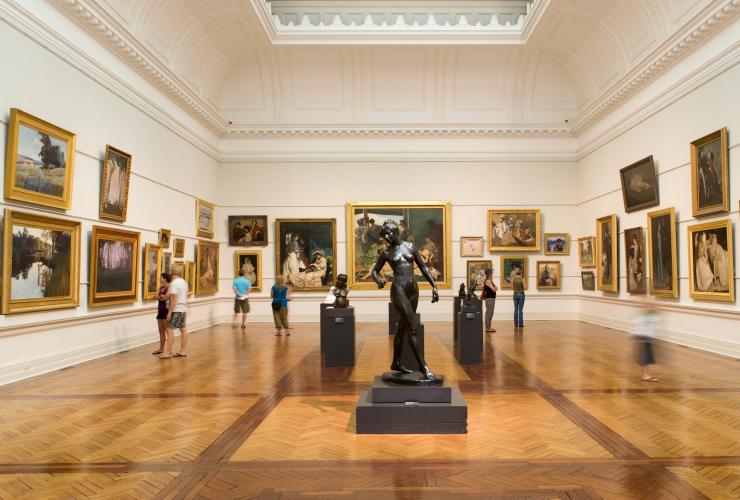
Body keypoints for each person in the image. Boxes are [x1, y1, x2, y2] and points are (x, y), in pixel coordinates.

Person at [372, 219, 439, 380]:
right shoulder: (387, 253)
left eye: (388, 235)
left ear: (395, 231)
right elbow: (375, 271)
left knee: (402, 327)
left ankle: (396, 362)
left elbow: (423, 267)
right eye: (385, 236)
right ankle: (424, 367)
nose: (386, 239)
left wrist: (434, 286)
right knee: (412, 326)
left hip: (413, 290)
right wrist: (378, 280)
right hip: (398, 290)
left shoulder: (410, 247)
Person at [160, 265, 189, 359]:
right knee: (183, 330)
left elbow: (173, 300)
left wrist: (169, 313)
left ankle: (167, 352)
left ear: (172, 272)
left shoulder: (174, 283)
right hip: (183, 308)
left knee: (169, 330)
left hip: (176, 309)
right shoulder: (184, 282)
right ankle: (183, 351)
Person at [632, 298, 660, 381]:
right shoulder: (644, 316)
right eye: (651, 306)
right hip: (644, 339)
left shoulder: (648, 315)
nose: (653, 307)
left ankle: (646, 374)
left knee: (646, 358)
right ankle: (645, 375)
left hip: (646, 339)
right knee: (645, 358)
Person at [152, 273, 171, 355]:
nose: (160, 279)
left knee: (167, 331)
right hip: (160, 310)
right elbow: (155, 297)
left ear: (165, 279)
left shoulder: (170, 287)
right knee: (161, 331)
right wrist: (160, 295)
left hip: (166, 310)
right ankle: (161, 348)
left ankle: (169, 349)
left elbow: (165, 298)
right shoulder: (161, 287)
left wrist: (160, 296)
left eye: (161, 278)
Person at [481, 268, 497, 333]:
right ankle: (487, 328)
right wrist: (495, 288)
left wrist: (495, 288)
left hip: (491, 299)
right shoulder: (488, 281)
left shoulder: (490, 280)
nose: (492, 273)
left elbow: (496, 288)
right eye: (491, 272)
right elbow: (494, 289)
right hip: (489, 299)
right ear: (489, 273)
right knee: (489, 313)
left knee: (490, 313)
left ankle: (489, 327)